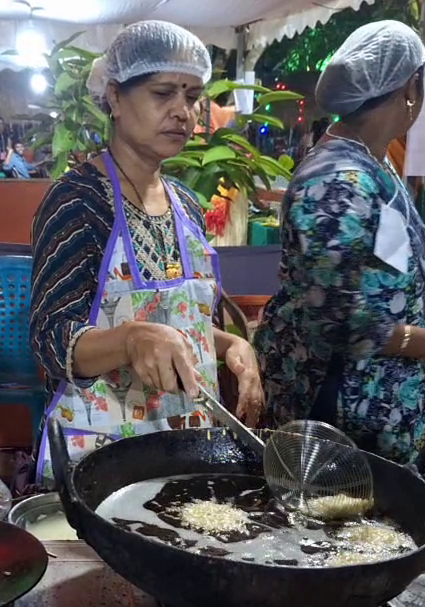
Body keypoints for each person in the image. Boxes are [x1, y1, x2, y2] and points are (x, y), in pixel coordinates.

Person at [255, 20, 425, 474]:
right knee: (335, 527)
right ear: (410, 88)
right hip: (342, 405)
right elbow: (337, 319)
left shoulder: (369, 162)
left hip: (373, 397)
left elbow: (367, 268)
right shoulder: (339, 181)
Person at [29, 21, 263, 482]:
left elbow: (181, 324)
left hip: (185, 448)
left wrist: (231, 343)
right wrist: (131, 339)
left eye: (193, 96)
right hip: (101, 459)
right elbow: (50, 340)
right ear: (115, 97)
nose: (183, 112)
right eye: (163, 93)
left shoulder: (187, 206)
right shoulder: (79, 201)